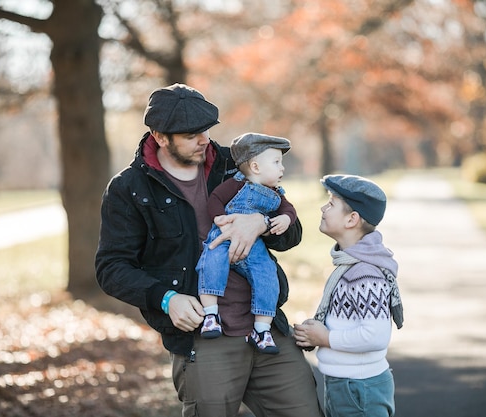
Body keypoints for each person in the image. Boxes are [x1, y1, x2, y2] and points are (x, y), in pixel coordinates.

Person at [95, 83, 324, 417]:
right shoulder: (129, 188)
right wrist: (166, 298)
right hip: (203, 338)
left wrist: (260, 222)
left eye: (205, 130)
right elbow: (111, 268)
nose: (204, 140)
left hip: (267, 328)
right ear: (160, 136)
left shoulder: (238, 163)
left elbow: (292, 233)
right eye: (191, 135)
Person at [293, 174, 404, 417]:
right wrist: (316, 333)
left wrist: (326, 338)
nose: (323, 207)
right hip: (347, 384)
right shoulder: (351, 266)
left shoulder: (364, 273)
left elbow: (375, 336)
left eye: (331, 203)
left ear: (352, 219)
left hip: (359, 389)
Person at [196, 132, 296, 355]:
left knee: (267, 274)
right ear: (256, 167)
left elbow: (289, 210)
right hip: (224, 236)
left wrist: (285, 218)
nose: (282, 169)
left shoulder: (276, 193)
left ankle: (261, 330)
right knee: (212, 259)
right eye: (277, 162)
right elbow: (216, 199)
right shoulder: (235, 184)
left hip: (255, 247)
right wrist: (219, 218)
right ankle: (210, 314)